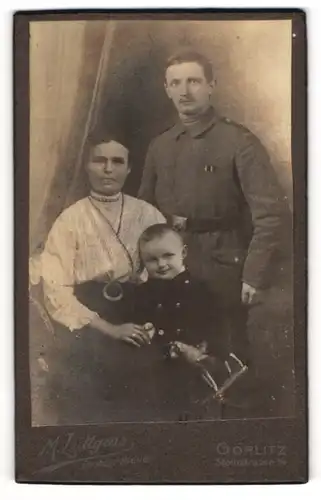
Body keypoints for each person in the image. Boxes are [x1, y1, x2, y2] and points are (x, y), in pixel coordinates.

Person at [138, 49, 283, 366]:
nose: (184, 91)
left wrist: (253, 276)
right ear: (166, 89)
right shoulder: (160, 145)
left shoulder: (239, 141)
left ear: (211, 85)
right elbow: (143, 215)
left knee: (224, 361)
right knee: (170, 359)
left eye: (194, 81)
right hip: (168, 267)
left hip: (221, 266)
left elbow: (271, 217)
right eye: (175, 83)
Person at [38, 133, 165, 424]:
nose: (109, 169)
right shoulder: (70, 219)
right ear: (87, 166)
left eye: (117, 162)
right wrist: (109, 329)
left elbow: (164, 275)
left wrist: (153, 319)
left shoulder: (148, 214)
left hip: (140, 314)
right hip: (90, 320)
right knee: (89, 392)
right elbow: (56, 292)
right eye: (100, 161)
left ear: (129, 169)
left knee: (149, 384)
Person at [122, 223, 248, 421]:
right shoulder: (142, 294)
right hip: (159, 368)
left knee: (202, 411)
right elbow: (136, 323)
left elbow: (218, 325)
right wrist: (145, 329)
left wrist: (207, 352)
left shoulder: (202, 290)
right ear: (142, 262)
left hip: (198, 366)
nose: (161, 264)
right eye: (152, 260)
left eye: (168, 256)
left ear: (183, 253)